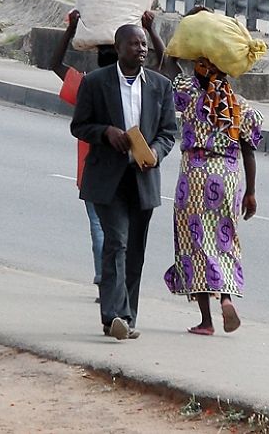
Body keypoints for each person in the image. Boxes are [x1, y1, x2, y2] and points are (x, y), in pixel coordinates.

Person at [157, 7, 264, 336]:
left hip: (195, 174)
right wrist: (251, 192)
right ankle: (227, 299)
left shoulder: (190, 95)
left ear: (201, 68)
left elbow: (167, 66)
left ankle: (206, 321)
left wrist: (161, 32)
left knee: (195, 242)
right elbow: (249, 151)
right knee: (223, 239)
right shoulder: (240, 106)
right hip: (229, 176)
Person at [70, 22, 177, 341]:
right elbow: (79, 126)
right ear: (118, 48)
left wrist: (155, 152)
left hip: (143, 177)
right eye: (133, 44)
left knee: (135, 251)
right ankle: (113, 315)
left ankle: (127, 318)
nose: (141, 49)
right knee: (116, 242)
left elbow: (168, 132)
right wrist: (105, 132)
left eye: (143, 44)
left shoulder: (160, 86)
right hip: (108, 178)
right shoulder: (96, 82)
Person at [50, 10, 163, 300]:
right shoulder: (93, 85)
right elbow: (163, 65)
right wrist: (152, 30)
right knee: (113, 237)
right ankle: (110, 286)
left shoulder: (87, 83)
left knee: (107, 234)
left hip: (113, 174)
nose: (140, 51)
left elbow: (55, 64)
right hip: (101, 175)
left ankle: (109, 285)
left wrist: (72, 28)